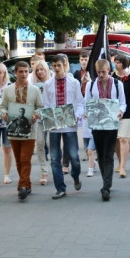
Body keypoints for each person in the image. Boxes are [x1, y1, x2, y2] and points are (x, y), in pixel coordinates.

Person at [0, 61, 43, 200]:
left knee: (25, 158)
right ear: (15, 73)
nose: (24, 74)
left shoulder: (35, 90)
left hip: (30, 130)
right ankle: (27, 184)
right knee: (18, 160)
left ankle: (22, 185)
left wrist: (36, 114)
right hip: (14, 130)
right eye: (21, 71)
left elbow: (40, 107)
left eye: (26, 71)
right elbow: (2, 106)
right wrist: (4, 114)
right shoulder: (8, 90)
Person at [42, 55, 84, 199]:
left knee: (74, 156)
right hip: (54, 126)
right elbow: (46, 104)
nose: (57, 68)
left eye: (59, 65)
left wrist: (77, 115)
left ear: (64, 65)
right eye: (54, 66)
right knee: (54, 158)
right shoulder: (48, 84)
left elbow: (80, 103)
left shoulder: (74, 82)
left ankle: (75, 175)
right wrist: (47, 116)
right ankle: (60, 188)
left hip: (70, 124)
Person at [85, 59, 126, 201]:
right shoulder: (91, 85)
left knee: (108, 154)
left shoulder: (117, 84)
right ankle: (106, 181)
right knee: (101, 154)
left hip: (111, 123)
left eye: (103, 72)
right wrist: (87, 112)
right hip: (97, 124)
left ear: (109, 70)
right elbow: (87, 102)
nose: (101, 75)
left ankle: (106, 187)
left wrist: (120, 111)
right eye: (98, 72)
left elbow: (122, 102)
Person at [112, 55, 130, 178]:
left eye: (119, 62)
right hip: (114, 111)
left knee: (123, 138)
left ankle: (122, 167)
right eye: (116, 62)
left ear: (124, 64)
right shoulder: (112, 77)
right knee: (116, 139)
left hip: (127, 111)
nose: (117, 64)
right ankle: (120, 161)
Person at [29, 59, 50, 185]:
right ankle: (44, 172)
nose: (40, 72)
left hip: (51, 116)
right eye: (37, 70)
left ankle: (60, 167)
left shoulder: (51, 82)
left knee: (55, 144)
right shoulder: (32, 85)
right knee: (40, 143)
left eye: (42, 69)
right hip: (38, 117)